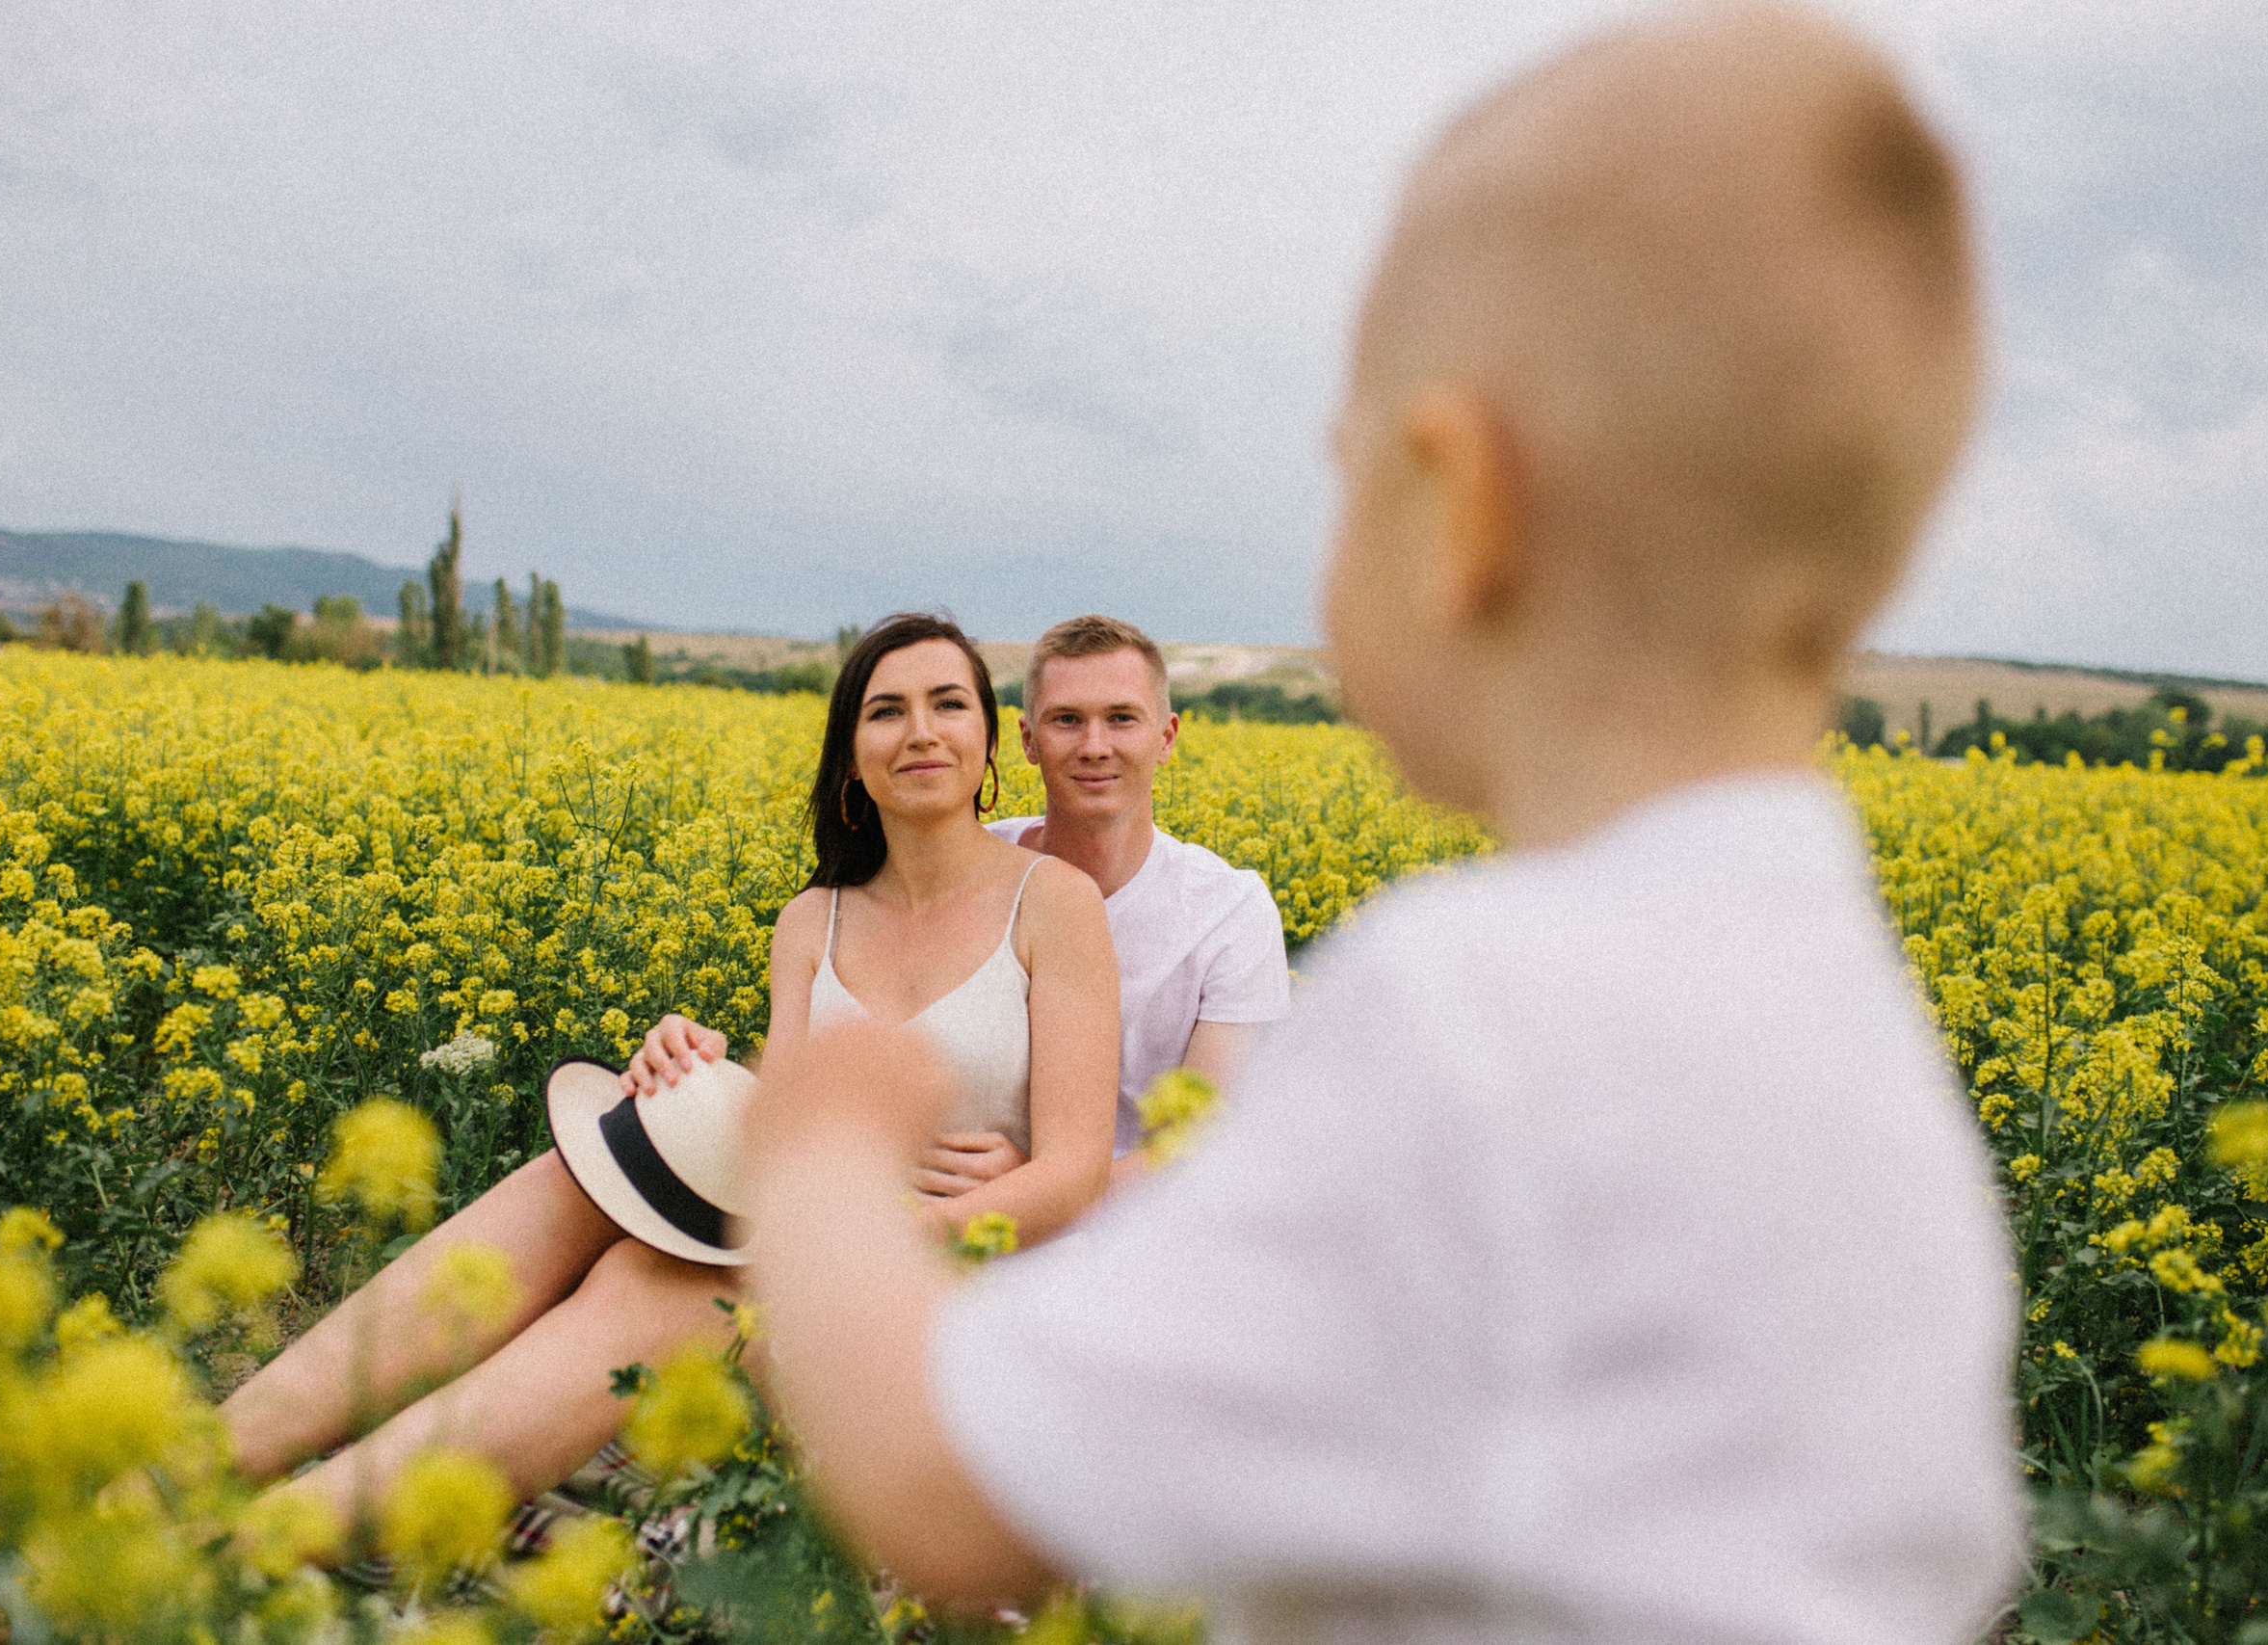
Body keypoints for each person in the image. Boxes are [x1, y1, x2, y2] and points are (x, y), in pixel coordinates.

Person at [737, 8, 2025, 1643]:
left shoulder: (1472, 1014)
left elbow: (944, 1489)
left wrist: (822, 1158)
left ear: (1456, 507)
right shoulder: (1839, 996)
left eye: (1342, 474)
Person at [221, 613, 1119, 1519]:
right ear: (851, 758)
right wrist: (693, 1068)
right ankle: (200, 1465)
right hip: (800, 1244)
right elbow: (792, 1134)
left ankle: (268, 1539)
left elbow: (1074, 1173)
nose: (921, 731)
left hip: (946, 1282)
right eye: (887, 711)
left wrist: (870, 1238)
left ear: (989, 740)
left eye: (948, 704)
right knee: (580, 1170)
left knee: (649, 1294)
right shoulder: (814, 920)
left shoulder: (1054, 904)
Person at [628, 613, 1290, 1195]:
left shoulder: (1229, 911)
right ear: (1026, 741)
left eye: (1122, 718)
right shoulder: (961, 863)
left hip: (1104, 1230)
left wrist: (1039, 1184)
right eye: (1066, 720)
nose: (1094, 745)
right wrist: (707, 1074)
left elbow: (1213, 1145)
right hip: (929, 1205)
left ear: (1167, 736)